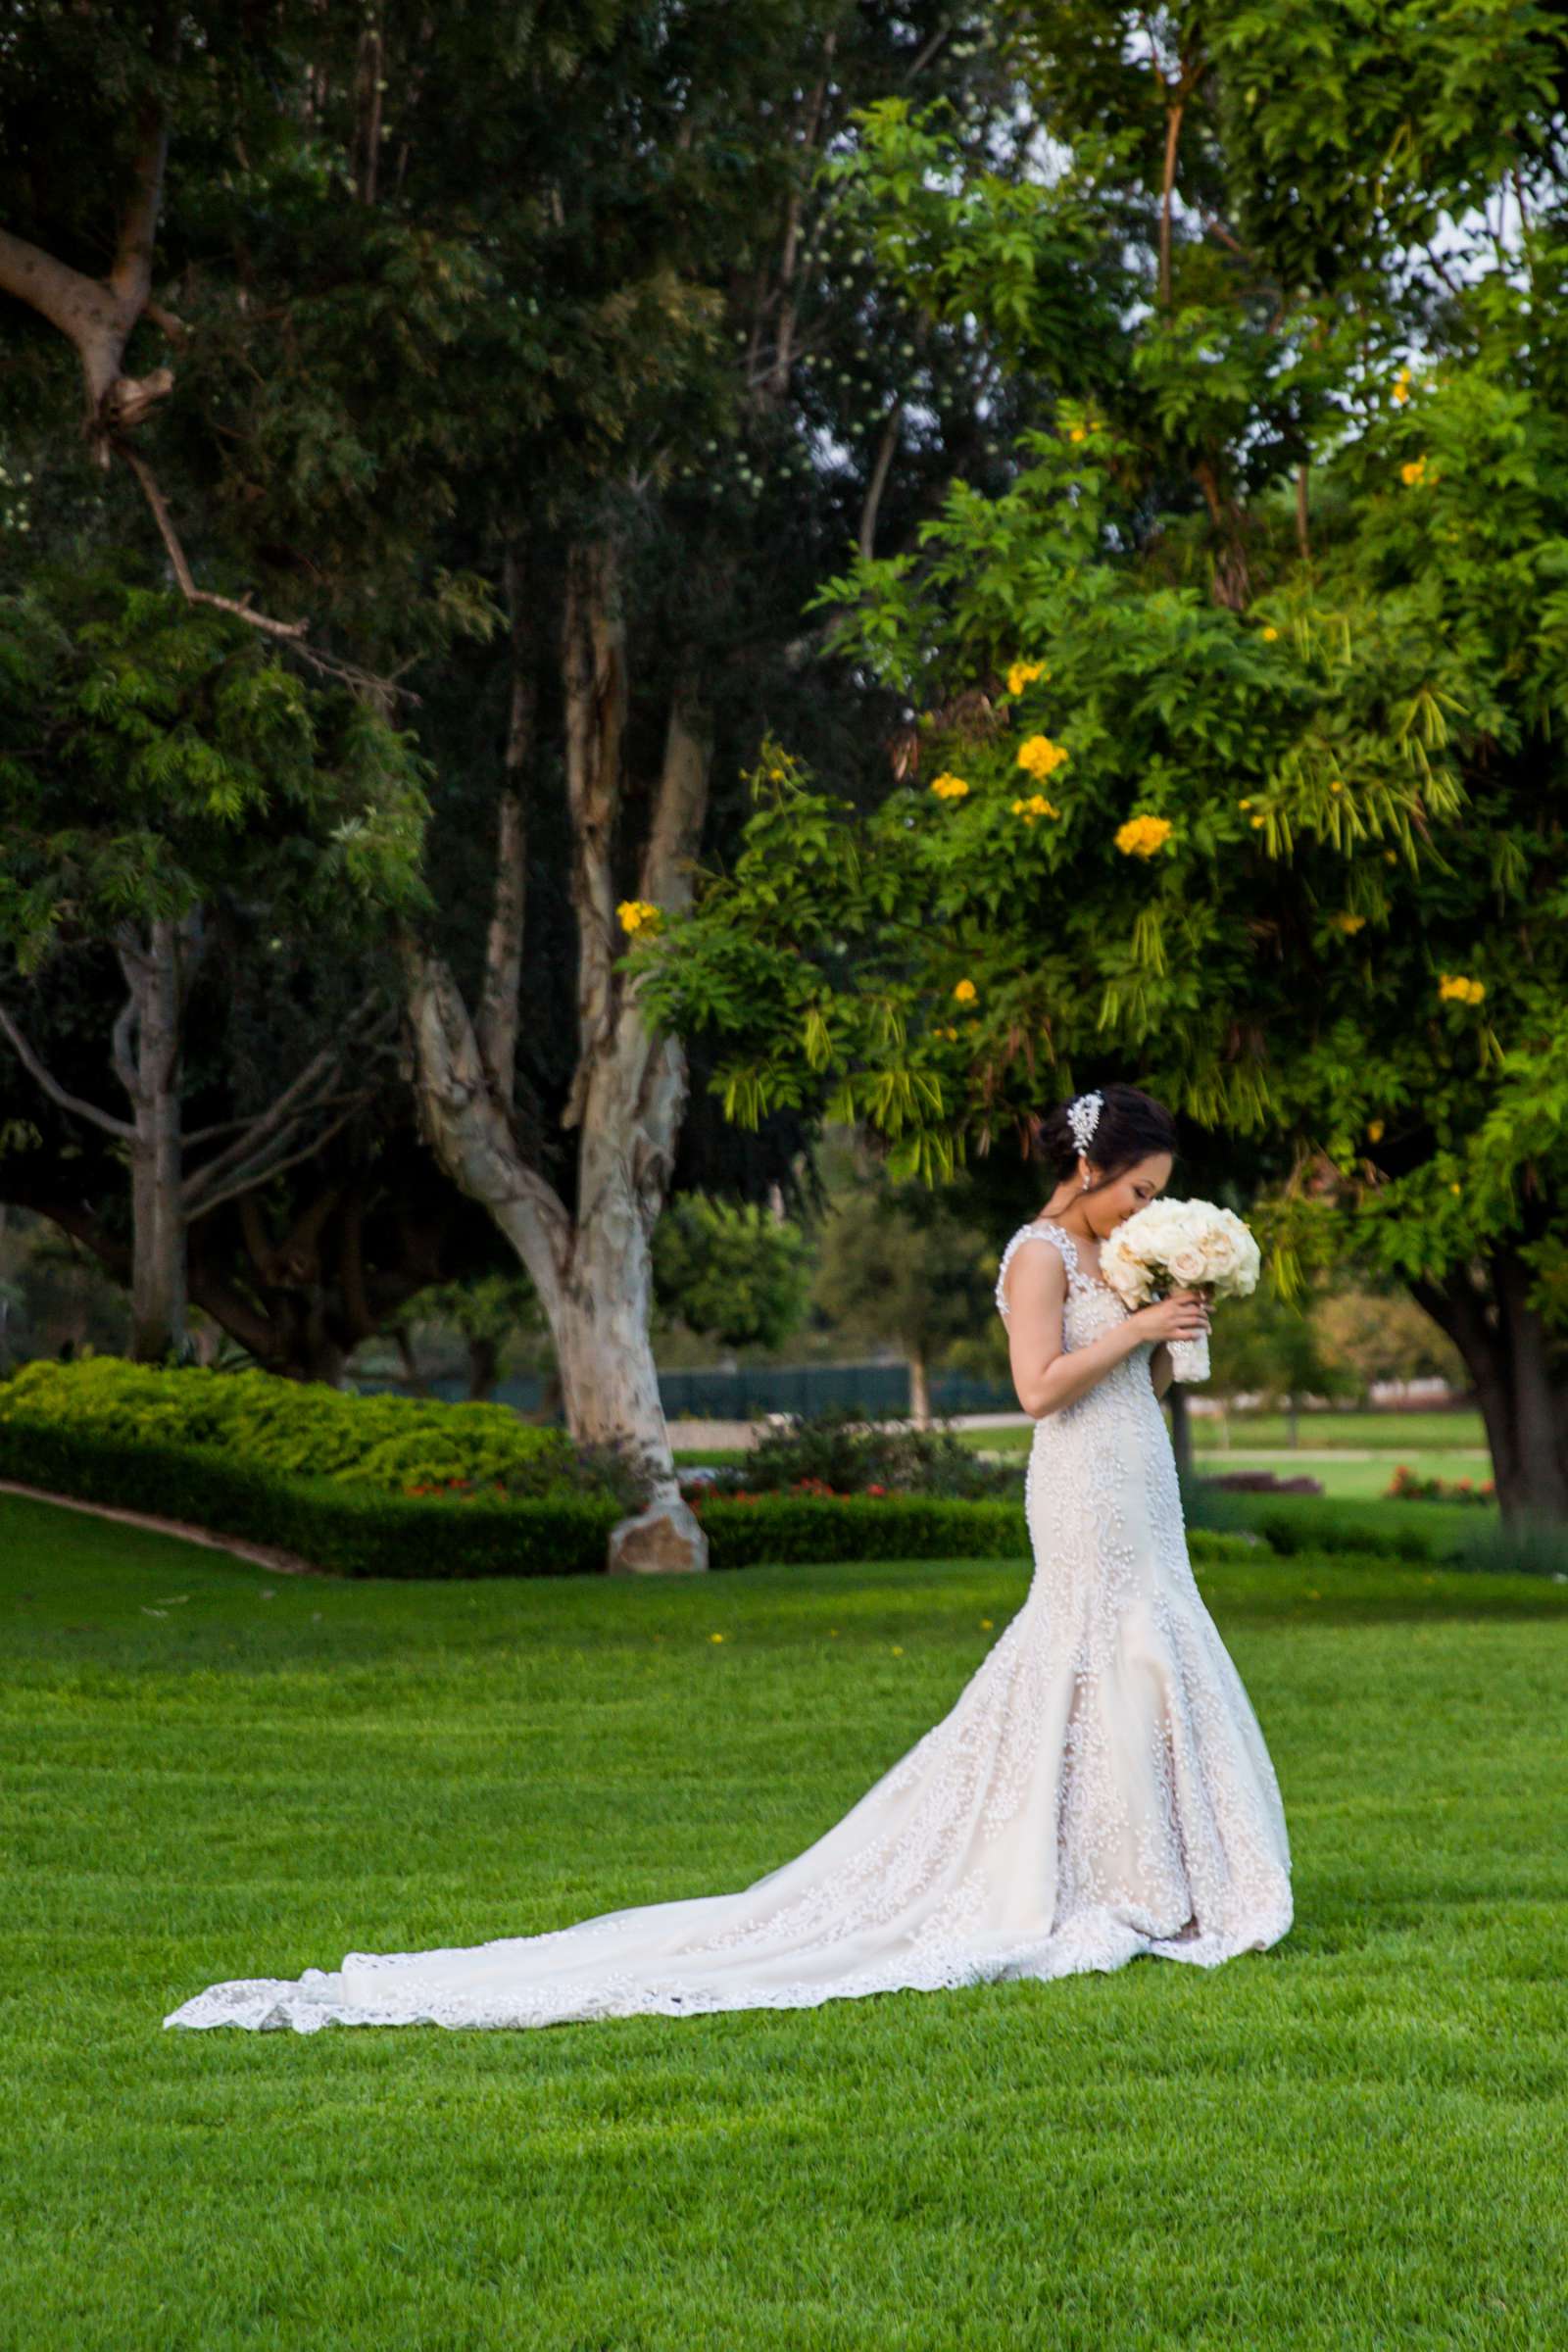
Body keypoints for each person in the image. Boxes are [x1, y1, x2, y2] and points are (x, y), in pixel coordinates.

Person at [164, 1081, 1292, 2034]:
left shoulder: (1117, 1261)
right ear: (1090, 1167)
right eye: (1138, 1191)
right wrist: (1136, 1333)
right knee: (1092, 1645)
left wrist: (1167, 1330)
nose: (1143, 1209)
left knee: (1152, 1639)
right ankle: (1091, 1879)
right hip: (1080, 1485)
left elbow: (1129, 1383)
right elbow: (1036, 1391)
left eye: (1156, 1200)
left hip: (1141, 1473)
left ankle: (1154, 1874)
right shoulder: (1040, 1254)